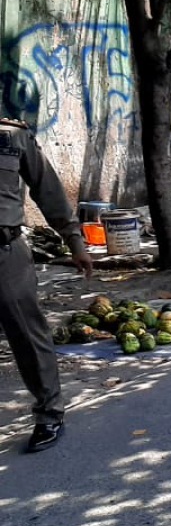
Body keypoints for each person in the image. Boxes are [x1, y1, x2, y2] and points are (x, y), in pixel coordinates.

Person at [0, 118, 90, 453]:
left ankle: (49, 413)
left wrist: (75, 241)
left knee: (28, 336)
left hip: (5, 253)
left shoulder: (12, 137)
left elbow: (48, 189)